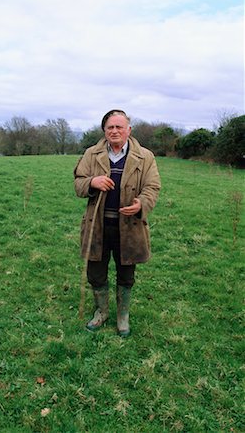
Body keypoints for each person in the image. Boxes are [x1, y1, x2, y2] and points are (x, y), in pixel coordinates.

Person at [74, 109, 161, 337]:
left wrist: (141, 204)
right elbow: (78, 184)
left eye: (119, 127)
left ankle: (123, 316)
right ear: (104, 130)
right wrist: (93, 181)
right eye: (110, 127)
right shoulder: (91, 154)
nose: (114, 131)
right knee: (95, 272)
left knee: (126, 274)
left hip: (129, 226)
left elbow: (152, 187)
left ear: (128, 130)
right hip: (98, 225)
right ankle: (101, 312)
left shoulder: (145, 156)